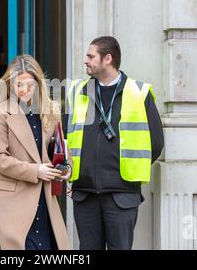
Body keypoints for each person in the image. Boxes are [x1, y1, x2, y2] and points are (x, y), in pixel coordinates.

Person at [66, 36, 164, 250]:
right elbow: (67, 137)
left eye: (91, 56)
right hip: (85, 194)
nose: (86, 60)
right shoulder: (78, 92)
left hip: (122, 194)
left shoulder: (139, 93)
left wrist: (127, 170)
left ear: (107, 58)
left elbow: (155, 143)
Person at [0, 55, 71, 250]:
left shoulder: (51, 110)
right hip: (14, 196)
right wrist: (36, 171)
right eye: (19, 85)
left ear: (38, 84)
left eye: (29, 85)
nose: (24, 90)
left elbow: (59, 148)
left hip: (45, 196)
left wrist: (65, 168)